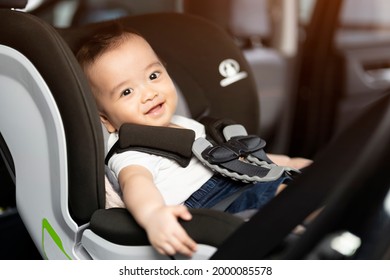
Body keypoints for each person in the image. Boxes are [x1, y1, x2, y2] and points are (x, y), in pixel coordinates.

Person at [76, 23, 312, 257]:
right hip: (207, 207)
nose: (149, 93)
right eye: (127, 92)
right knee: (298, 197)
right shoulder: (129, 152)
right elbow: (136, 184)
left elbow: (228, 160)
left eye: (153, 75)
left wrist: (286, 162)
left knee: (305, 171)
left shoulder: (185, 123)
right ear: (105, 119)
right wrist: (154, 215)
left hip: (234, 182)